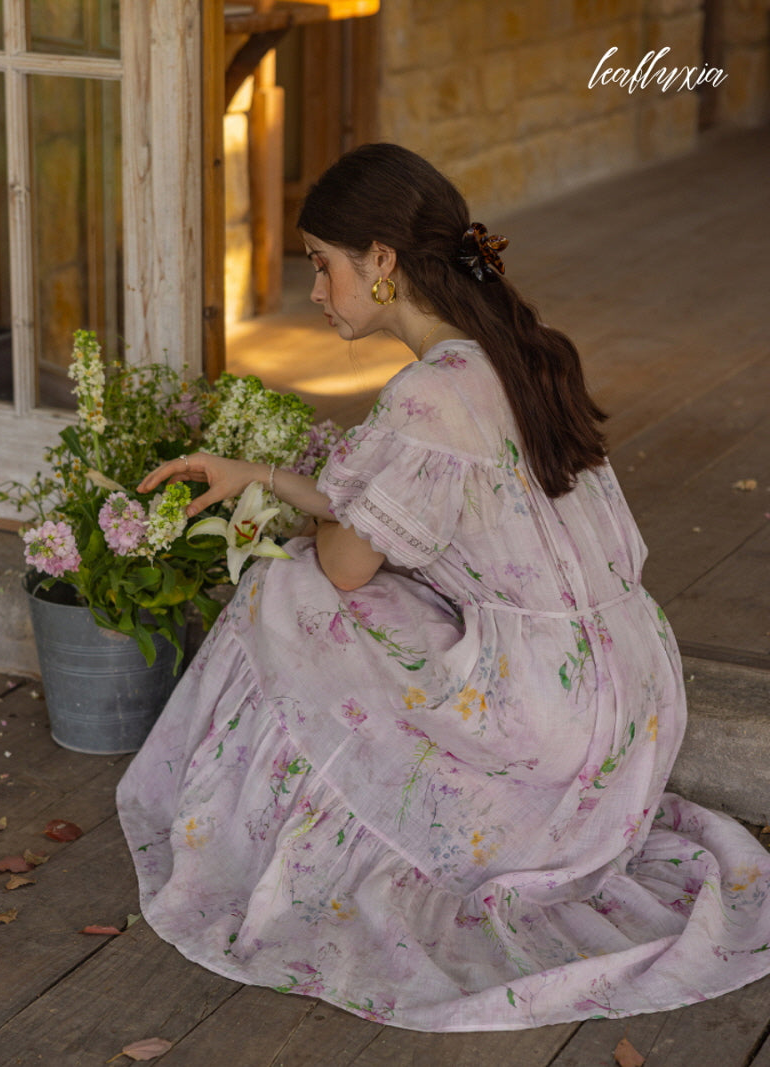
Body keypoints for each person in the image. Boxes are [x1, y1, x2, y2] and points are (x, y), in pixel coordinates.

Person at [117, 143, 770, 1031]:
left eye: (322, 265)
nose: (314, 290)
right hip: (634, 692)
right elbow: (392, 507)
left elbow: (350, 556)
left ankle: (262, 826)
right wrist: (263, 475)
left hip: (543, 709)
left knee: (291, 589)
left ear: (382, 260)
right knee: (335, 571)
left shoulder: (429, 396)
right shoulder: (520, 352)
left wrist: (292, 525)